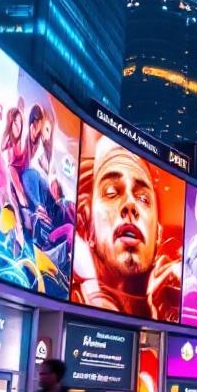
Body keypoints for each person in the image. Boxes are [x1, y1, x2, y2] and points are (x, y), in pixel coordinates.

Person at [71, 136, 183, 319]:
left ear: (158, 235)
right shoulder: (69, 295)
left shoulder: (174, 308)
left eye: (143, 198)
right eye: (111, 192)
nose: (130, 204)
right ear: (88, 227)